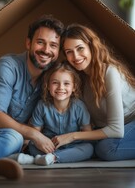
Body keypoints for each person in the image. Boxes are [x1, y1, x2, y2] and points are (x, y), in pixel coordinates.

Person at [0, 15, 64, 175]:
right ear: (28, 43)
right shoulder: (7, 67)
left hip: (8, 137)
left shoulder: (50, 79)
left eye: (53, 45)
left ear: (58, 51)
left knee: (22, 141)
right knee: (15, 138)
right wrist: (33, 134)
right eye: (40, 42)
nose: (46, 50)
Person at [55, 23, 135, 161]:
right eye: (69, 52)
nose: (75, 56)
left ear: (91, 47)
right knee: (88, 146)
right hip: (114, 129)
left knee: (106, 149)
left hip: (131, 121)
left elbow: (116, 129)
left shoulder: (109, 72)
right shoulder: (79, 78)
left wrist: (72, 136)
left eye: (80, 48)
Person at [26, 61, 93, 166]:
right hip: (49, 146)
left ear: (74, 87)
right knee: (32, 144)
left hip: (72, 145)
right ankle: (52, 157)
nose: (60, 87)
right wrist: (41, 143)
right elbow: (35, 132)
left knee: (88, 148)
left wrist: (71, 138)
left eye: (66, 83)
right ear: (47, 86)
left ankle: (52, 158)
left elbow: (88, 133)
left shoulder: (79, 107)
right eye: (55, 83)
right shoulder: (42, 105)